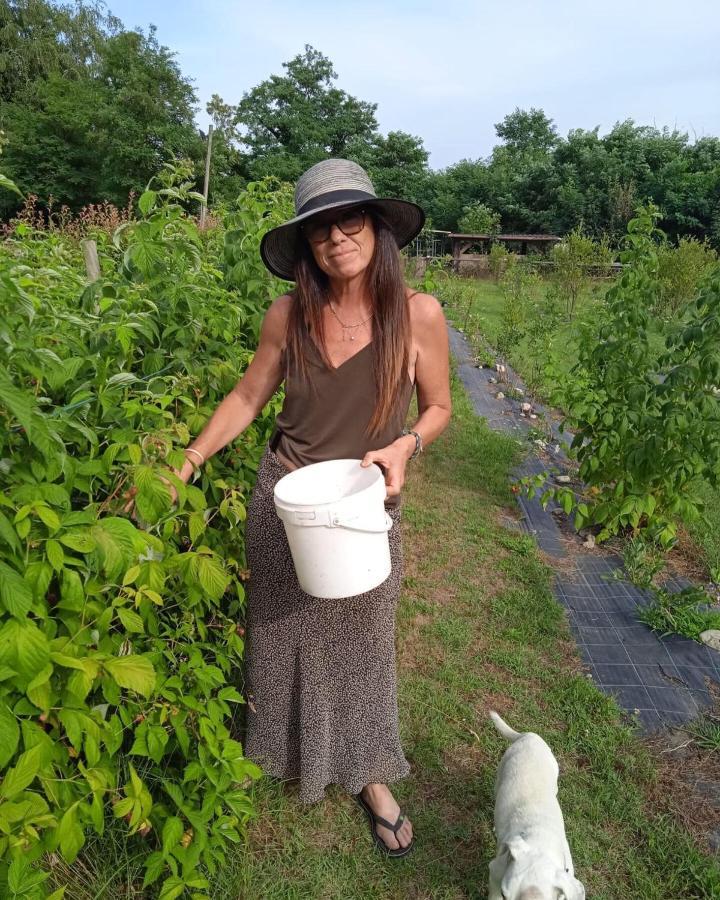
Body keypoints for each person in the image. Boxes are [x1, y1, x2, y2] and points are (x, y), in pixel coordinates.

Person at [170, 159, 450, 856]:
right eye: (318, 227)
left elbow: (439, 405)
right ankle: (272, 751)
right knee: (279, 632)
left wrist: (406, 446)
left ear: (377, 228)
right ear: (306, 246)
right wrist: (190, 459)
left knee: (361, 643)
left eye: (348, 218)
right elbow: (245, 399)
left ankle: (369, 775)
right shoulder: (286, 315)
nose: (335, 236)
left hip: (362, 503)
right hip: (285, 496)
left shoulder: (419, 314)